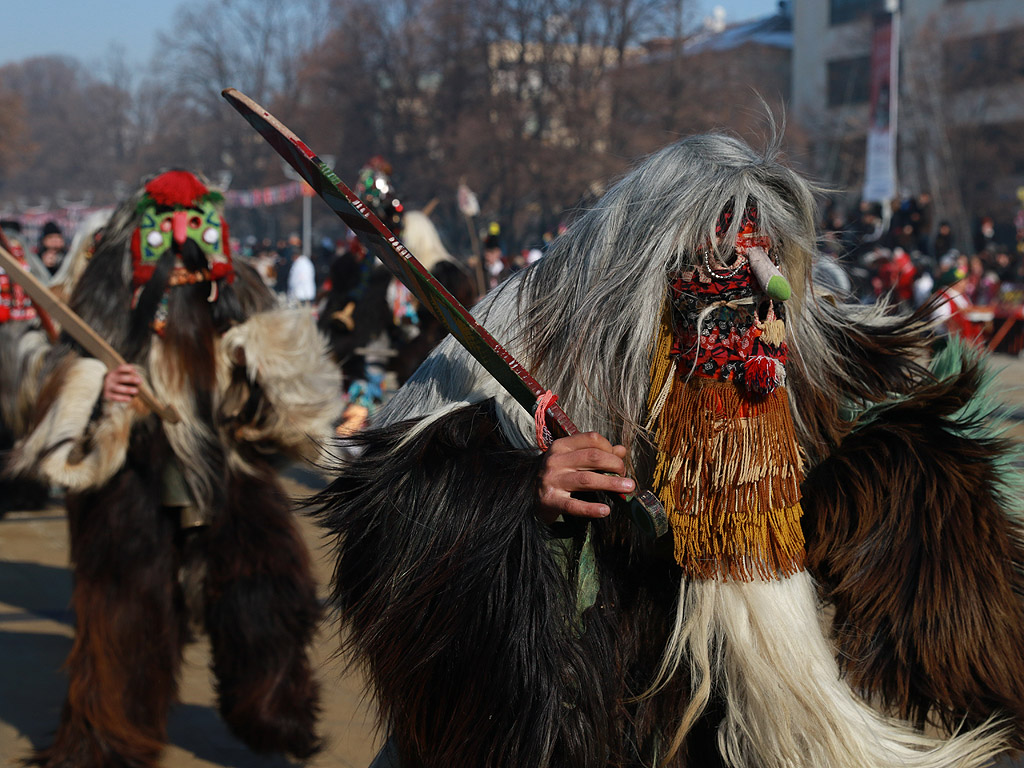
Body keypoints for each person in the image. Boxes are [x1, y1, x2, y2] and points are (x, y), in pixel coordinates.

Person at [318, 134, 1024, 768]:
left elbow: (925, 460)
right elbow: (379, 508)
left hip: (711, 715)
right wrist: (514, 487)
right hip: (561, 700)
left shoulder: (789, 347)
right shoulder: (519, 335)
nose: (738, 294)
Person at [9, 170, 341, 768]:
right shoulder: (106, 295)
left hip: (227, 465)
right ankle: (109, 736)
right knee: (126, 614)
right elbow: (53, 368)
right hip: (129, 474)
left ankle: (270, 704)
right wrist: (102, 387)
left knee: (267, 590)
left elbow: (293, 403)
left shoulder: (236, 291)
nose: (184, 244)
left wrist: (258, 357)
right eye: (168, 233)